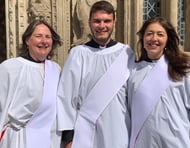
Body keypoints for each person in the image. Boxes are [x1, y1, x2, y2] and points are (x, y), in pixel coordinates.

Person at [57, 1, 135, 148]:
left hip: (119, 131)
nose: (102, 26)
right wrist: (68, 138)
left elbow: (133, 97)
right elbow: (66, 98)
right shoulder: (78, 54)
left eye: (107, 21)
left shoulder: (126, 53)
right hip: (85, 132)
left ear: (114, 23)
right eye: (97, 21)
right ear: (89, 22)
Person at [128, 17, 190, 148]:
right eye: (149, 34)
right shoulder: (134, 71)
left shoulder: (185, 66)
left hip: (176, 143)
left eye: (160, 34)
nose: (154, 38)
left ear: (167, 40)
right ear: (143, 40)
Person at [0, 19, 62, 148]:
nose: (44, 41)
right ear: (27, 40)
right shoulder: (9, 68)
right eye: (38, 36)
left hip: (49, 139)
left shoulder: (55, 69)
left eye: (48, 37)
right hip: (18, 139)